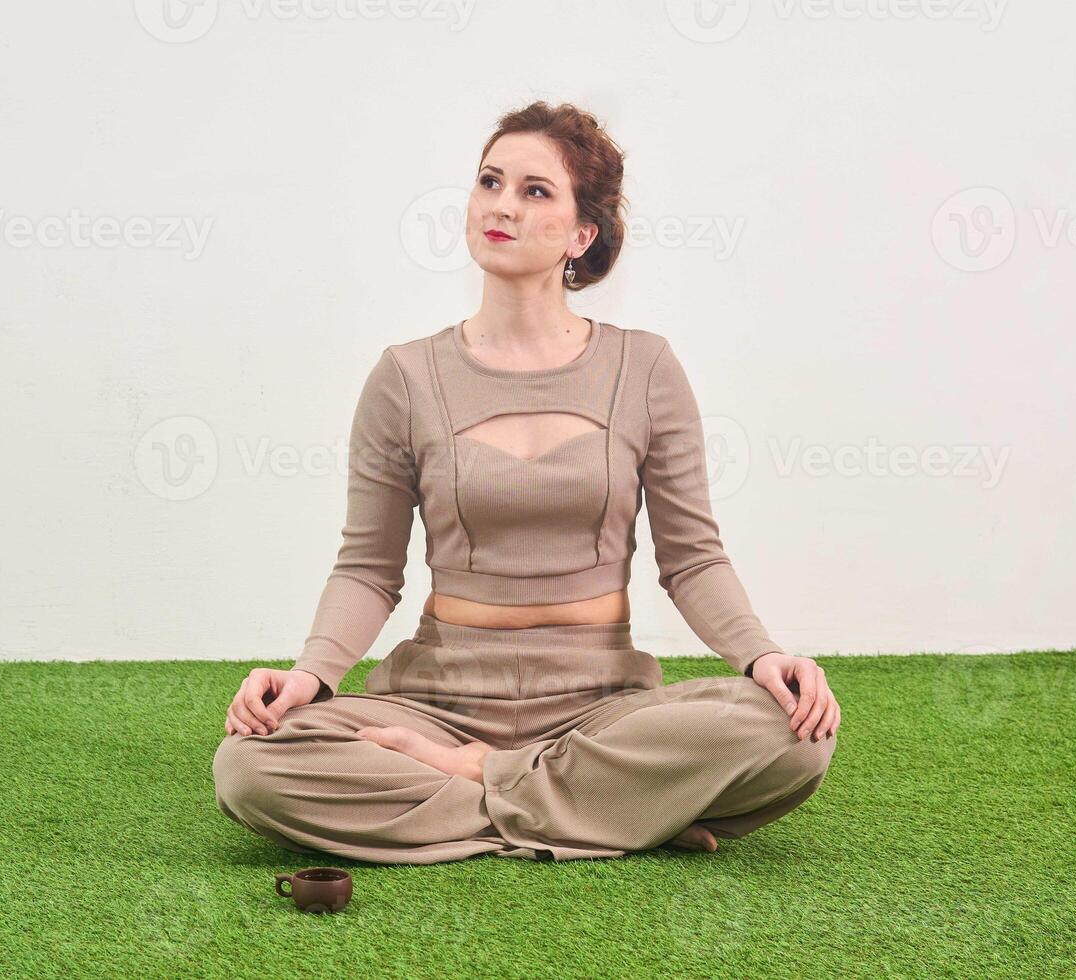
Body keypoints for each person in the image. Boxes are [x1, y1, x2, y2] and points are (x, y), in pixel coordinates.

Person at [212, 100, 840, 864]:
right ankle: (608, 811)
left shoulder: (645, 368)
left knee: (790, 734)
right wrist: (311, 675)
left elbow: (693, 559)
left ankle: (486, 786)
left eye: (535, 190)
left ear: (583, 234)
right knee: (250, 767)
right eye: (489, 182)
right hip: (433, 704)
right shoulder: (406, 376)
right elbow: (368, 568)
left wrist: (761, 658)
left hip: (600, 710)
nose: (501, 205)